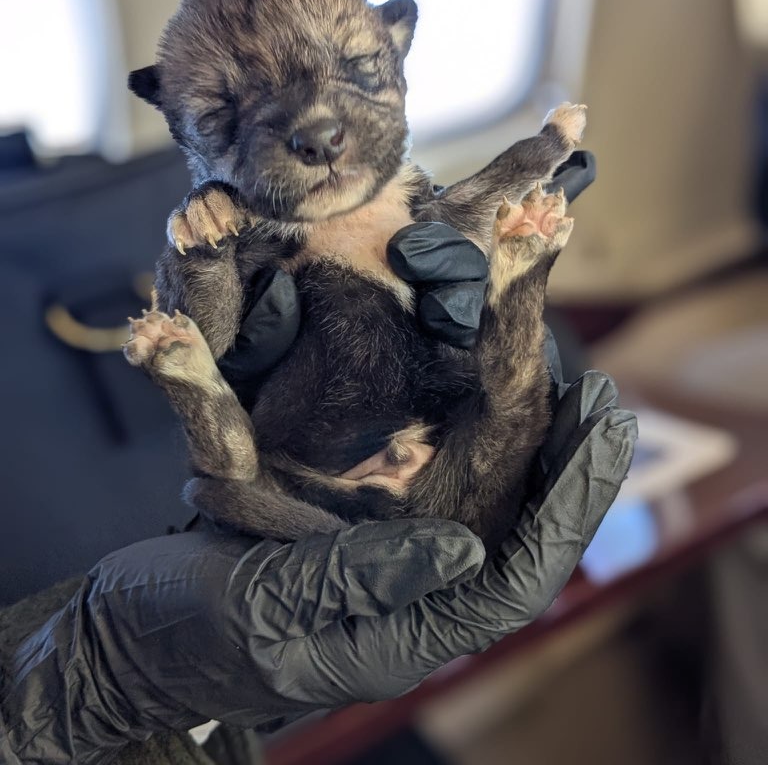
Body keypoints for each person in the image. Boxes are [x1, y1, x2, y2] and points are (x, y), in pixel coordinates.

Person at [0, 155, 636, 765]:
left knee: (500, 404)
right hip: (313, 522)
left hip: (360, 509)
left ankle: (517, 280)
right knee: (501, 406)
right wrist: (79, 688)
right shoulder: (242, 203)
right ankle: (521, 278)